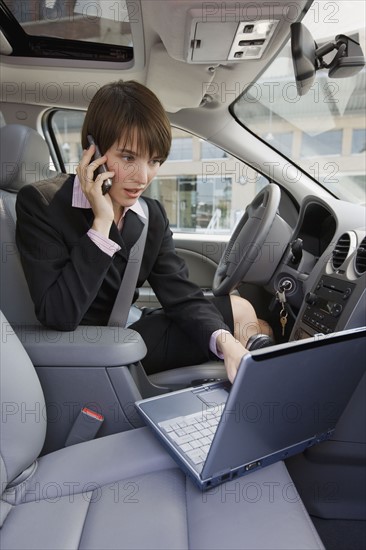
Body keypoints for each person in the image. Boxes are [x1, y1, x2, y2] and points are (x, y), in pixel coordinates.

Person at [16, 80, 273, 383]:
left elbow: (181, 296)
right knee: (246, 322)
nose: (143, 177)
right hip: (87, 350)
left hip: (128, 332)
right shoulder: (41, 204)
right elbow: (58, 315)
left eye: (153, 161)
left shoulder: (150, 215)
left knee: (251, 321)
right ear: (93, 149)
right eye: (128, 158)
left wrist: (227, 344)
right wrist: (101, 222)